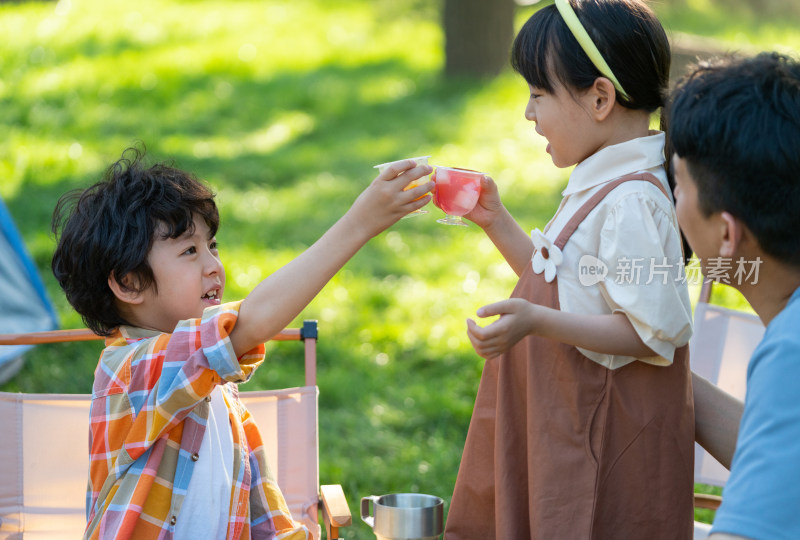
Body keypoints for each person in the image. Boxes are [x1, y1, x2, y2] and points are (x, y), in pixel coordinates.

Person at [50, 145, 433, 540]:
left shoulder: (215, 386)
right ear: (129, 283)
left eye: (212, 246)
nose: (214, 265)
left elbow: (263, 513)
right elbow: (250, 322)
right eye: (189, 251)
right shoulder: (131, 371)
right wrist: (359, 224)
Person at [444, 0, 695, 538]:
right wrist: (495, 220)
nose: (528, 114)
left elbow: (650, 334)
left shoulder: (631, 200)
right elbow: (569, 288)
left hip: (600, 439)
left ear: (600, 97)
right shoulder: (603, 180)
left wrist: (536, 323)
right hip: (566, 420)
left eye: (538, 94)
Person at [669, 51, 800, 540]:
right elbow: (783, 450)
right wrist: (657, 360)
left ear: (728, 234)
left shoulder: (792, 352)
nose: (669, 200)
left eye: (678, 184)